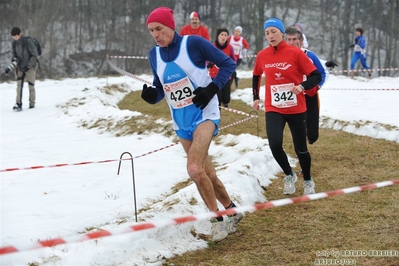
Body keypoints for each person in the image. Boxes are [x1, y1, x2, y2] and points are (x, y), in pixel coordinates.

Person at [143, 7, 243, 242]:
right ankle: (232, 209)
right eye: (151, 31)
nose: (156, 34)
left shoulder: (194, 44)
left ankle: (216, 220)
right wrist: (153, 96)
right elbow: (160, 87)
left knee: (194, 169)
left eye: (159, 29)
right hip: (181, 122)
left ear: (171, 26)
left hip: (205, 115)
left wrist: (211, 89)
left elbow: (228, 64)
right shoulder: (153, 55)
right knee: (206, 173)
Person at [252, 18, 322, 195]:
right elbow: (256, 75)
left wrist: (302, 87)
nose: (270, 35)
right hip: (274, 107)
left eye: (274, 31)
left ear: (282, 33)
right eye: (267, 33)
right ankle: (289, 174)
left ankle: (307, 179)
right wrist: (255, 97)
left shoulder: (296, 53)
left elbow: (315, 76)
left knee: (301, 149)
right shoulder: (262, 55)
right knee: (274, 144)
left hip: (296, 108)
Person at [285, 26, 332, 145]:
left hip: (310, 94)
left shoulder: (310, 55)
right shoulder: (282, 56)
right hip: (293, 96)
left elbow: (323, 72)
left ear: (300, 41)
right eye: (289, 39)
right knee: (298, 125)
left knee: (313, 135)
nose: (291, 42)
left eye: (294, 39)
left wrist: (318, 86)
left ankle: (308, 137)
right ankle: (300, 147)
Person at [6, 27, 38, 111]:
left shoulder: (28, 41)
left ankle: (32, 105)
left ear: (20, 34)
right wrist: (13, 60)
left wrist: (29, 66)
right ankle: (18, 103)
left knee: (31, 86)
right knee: (19, 85)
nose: (15, 38)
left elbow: (35, 55)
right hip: (19, 67)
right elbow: (14, 54)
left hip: (30, 67)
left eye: (16, 36)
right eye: (13, 37)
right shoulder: (14, 43)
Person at [208, 28, 236, 107]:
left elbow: (234, 60)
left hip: (226, 76)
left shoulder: (230, 47)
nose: (223, 37)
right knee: (218, 97)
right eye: (222, 35)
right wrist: (208, 63)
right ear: (218, 36)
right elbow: (206, 59)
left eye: (225, 35)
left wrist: (232, 66)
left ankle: (225, 102)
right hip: (214, 76)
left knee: (226, 98)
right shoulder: (212, 46)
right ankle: (218, 112)